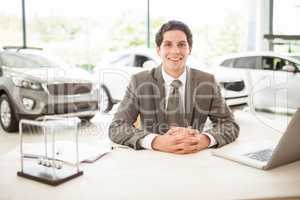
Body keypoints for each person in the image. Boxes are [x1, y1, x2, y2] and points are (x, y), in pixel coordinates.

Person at [109, 20, 239, 154]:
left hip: (194, 157)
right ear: (158, 50)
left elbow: (229, 124)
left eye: (182, 45)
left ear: (189, 49)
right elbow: (117, 127)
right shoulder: (139, 81)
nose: (175, 51)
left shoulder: (207, 82)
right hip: (153, 159)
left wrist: (203, 139)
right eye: (168, 44)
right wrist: (156, 141)